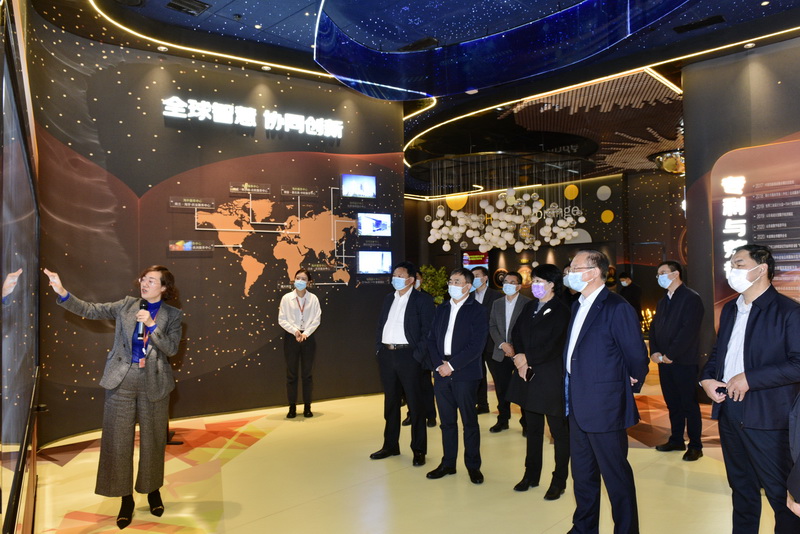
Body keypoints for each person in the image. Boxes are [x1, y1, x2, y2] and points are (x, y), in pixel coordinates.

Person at [43, 265, 183, 530]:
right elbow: (91, 310)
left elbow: (171, 349)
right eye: (143, 279)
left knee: (153, 441)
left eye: (152, 281)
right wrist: (62, 292)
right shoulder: (127, 305)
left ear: (164, 288)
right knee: (117, 442)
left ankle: (152, 491)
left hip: (154, 382)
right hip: (121, 380)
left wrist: (152, 325)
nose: (144, 284)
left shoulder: (173, 315)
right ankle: (125, 499)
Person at [700, 244, 800, 533]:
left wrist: (751, 378)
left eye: (739, 264)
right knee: (741, 489)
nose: (732, 271)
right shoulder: (731, 309)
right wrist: (706, 378)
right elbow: (719, 353)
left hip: (768, 417)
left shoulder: (788, 312)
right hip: (730, 411)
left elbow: (797, 363)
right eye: (731, 265)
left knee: (781, 496)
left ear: (761, 269)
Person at [564, 250, 649, 534]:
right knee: (582, 474)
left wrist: (628, 383)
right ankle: (584, 528)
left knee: (615, 476)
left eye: (575, 267)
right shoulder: (577, 305)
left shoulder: (616, 306)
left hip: (605, 404)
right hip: (577, 401)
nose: (569, 272)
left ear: (593, 272)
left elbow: (636, 354)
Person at [508, 264, 571, 499]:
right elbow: (516, 333)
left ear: (552, 284)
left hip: (549, 377)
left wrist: (528, 358)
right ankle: (531, 475)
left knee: (558, 432)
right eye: (533, 281)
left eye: (538, 281)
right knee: (532, 429)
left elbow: (555, 344)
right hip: (527, 375)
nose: (534, 285)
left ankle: (559, 480)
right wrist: (520, 358)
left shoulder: (561, 310)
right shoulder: (530, 306)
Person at [426, 267, 488, 484]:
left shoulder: (477, 310)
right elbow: (431, 340)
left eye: (457, 282)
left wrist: (452, 365)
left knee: (469, 422)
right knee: (446, 422)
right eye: (450, 281)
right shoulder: (442, 308)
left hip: (465, 372)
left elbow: (476, 346)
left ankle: (473, 466)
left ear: (468, 286)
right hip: (441, 371)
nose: (452, 285)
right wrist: (439, 365)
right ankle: (448, 463)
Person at [370, 262, 435, 466]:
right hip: (387, 355)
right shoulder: (389, 298)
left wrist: (417, 356)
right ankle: (390, 445)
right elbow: (381, 324)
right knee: (391, 403)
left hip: (409, 356)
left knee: (416, 405)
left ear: (411, 280)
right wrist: (379, 349)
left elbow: (428, 332)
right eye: (394, 275)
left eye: (400, 275)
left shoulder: (423, 300)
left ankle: (418, 450)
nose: (395, 278)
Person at [649, 260, 705, 461]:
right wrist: (654, 351)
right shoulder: (663, 301)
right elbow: (654, 328)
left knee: (689, 404)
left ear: (675, 274)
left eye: (663, 272)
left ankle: (696, 445)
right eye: (658, 274)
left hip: (683, 361)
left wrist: (671, 355)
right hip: (664, 362)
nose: (659, 277)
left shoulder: (691, 298)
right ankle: (676, 439)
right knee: (672, 403)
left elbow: (688, 331)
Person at [487, 271, 530, 433]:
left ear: (519, 286)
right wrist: (503, 344)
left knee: (523, 389)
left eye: (512, 282)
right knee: (501, 389)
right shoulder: (497, 303)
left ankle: (526, 422)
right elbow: (492, 326)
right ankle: (503, 420)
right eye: (505, 282)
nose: (508, 285)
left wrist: (514, 347)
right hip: (500, 353)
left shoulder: (527, 303)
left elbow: (527, 330)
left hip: (520, 355)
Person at [277, 268, 322, 418]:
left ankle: (307, 407)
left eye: (303, 279)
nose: (300, 281)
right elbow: (281, 319)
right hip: (292, 338)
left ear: (309, 282)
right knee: (291, 374)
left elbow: (317, 319)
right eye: (298, 278)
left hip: (308, 338)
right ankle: (292, 407)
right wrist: (295, 331)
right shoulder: (286, 298)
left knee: (307, 375)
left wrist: (306, 333)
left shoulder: (313, 299)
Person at [471, 266, 502, 414]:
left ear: (485, 278)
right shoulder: (469, 296)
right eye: (472, 276)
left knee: (498, 377)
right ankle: (482, 404)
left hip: (492, 342)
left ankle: (503, 410)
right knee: (478, 375)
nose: (474, 279)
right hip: (474, 343)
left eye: (477, 275)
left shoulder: (496, 296)